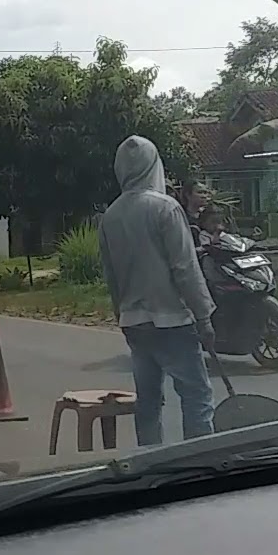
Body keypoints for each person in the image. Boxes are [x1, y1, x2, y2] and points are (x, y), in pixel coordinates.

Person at [99, 135, 217, 446]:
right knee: (197, 396)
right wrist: (204, 317)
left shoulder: (110, 216)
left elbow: (112, 276)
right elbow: (185, 268)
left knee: (149, 401)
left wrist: (120, 315)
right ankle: (200, 462)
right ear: (155, 166)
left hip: (134, 321)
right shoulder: (166, 208)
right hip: (172, 320)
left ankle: (149, 463)